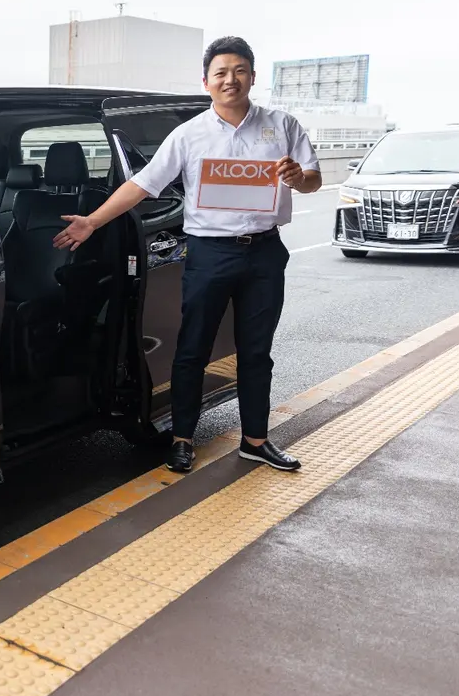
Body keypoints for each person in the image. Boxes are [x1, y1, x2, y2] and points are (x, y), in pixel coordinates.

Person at [55, 36, 321, 473]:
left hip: (264, 254)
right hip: (209, 254)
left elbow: (313, 180)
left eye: (238, 71)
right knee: (192, 350)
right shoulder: (189, 134)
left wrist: (298, 177)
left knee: (257, 352)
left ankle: (255, 440)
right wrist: (92, 221)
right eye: (220, 73)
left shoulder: (283, 125)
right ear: (206, 81)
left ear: (252, 77)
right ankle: (181, 438)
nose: (229, 79)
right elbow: (143, 184)